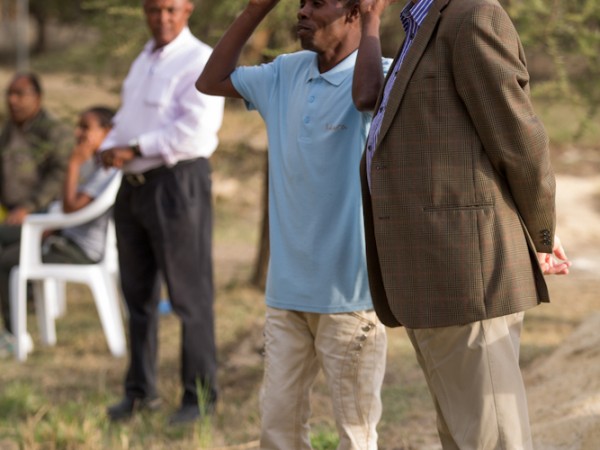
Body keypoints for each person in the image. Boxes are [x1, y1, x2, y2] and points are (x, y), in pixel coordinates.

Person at [354, 0, 572, 448]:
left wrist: (541, 232)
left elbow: (519, 139)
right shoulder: (422, 23)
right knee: (463, 435)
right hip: (434, 273)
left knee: (493, 439)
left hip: (469, 277)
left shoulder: (473, 16)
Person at [196, 0, 390, 448]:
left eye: (318, 3)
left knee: (356, 435)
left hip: (350, 298)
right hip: (287, 295)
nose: (302, 12)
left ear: (355, 12)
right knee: (278, 430)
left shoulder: (382, 72)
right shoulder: (284, 73)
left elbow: (368, 98)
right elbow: (210, 81)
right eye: (299, 2)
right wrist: (254, 9)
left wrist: (376, 20)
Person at [100, 0, 224, 426]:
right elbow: (126, 120)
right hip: (133, 188)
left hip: (176, 183)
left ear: (188, 8)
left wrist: (133, 148)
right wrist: (108, 146)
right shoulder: (144, 59)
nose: (162, 17)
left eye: (171, 8)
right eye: (154, 9)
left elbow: (195, 131)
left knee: (189, 296)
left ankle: (198, 398)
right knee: (137, 297)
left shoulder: (199, 58)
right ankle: (139, 391)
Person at [0, 106, 119, 358]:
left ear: (108, 132)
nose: (78, 133)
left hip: (78, 250)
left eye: (86, 127)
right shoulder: (94, 164)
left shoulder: (108, 169)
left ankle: (13, 336)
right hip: (60, 235)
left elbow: (70, 207)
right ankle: (13, 332)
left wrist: (73, 163)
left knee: (7, 261)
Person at [0, 72, 71, 340]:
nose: (13, 100)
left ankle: (12, 332)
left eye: (20, 94)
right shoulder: (9, 130)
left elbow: (59, 175)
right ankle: (15, 323)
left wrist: (28, 207)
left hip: (44, 215)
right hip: (14, 214)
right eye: (10, 94)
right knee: (8, 257)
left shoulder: (53, 130)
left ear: (37, 98)